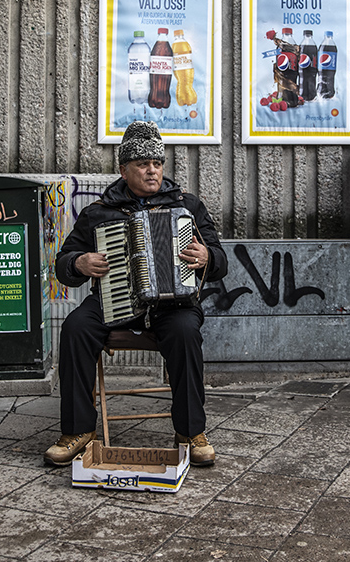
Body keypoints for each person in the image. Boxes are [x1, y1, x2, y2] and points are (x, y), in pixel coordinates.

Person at [43, 120, 228, 467]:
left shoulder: (187, 206)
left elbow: (221, 262)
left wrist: (207, 257)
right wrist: (80, 262)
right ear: (123, 169)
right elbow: (62, 264)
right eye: (143, 164)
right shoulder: (98, 213)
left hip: (173, 304)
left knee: (186, 331)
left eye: (157, 163)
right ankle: (78, 430)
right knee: (76, 328)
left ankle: (190, 431)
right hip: (114, 302)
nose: (152, 171)